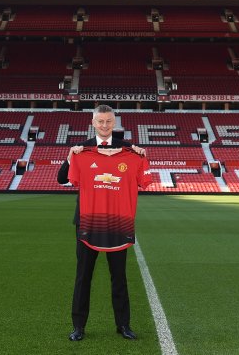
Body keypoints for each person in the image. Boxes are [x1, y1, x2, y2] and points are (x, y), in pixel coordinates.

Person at [57, 104, 147, 342]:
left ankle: (123, 325)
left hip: (117, 222)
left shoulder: (129, 149)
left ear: (114, 122)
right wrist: (69, 157)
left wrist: (140, 153)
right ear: (93, 123)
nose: (104, 125)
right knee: (83, 275)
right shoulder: (82, 149)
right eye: (100, 121)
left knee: (119, 276)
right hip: (87, 222)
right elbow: (61, 179)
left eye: (108, 121)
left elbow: (142, 176)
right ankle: (78, 326)